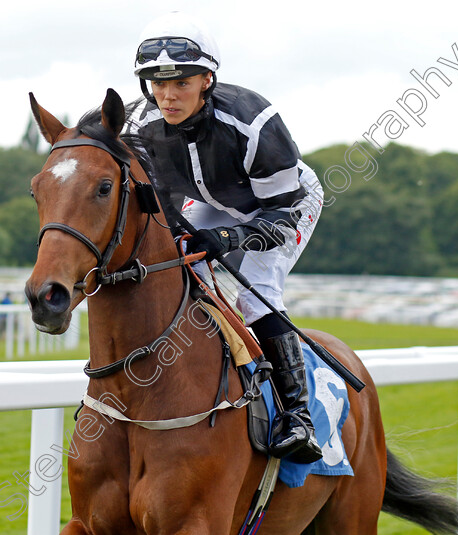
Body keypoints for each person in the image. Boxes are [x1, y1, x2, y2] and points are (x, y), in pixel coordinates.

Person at [127, 12, 325, 463]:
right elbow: (161, 208)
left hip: (283, 202)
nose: (167, 96)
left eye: (180, 83)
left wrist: (230, 239)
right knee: (180, 267)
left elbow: (280, 217)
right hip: (212, 198)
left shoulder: (254, 121)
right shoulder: (141, 127)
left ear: (207, 79)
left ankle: (298, 416)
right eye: (157, 84)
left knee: (253, 292)